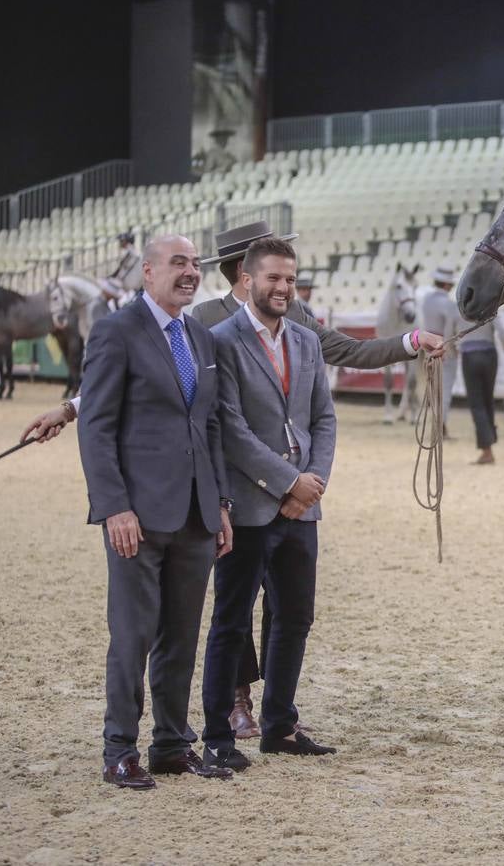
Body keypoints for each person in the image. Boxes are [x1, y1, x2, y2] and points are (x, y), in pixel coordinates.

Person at [21, 220, 445, 739]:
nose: (281, 282)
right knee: (232, 606)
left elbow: (344, 354)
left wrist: (411, 341)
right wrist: (71, 407)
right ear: (243, 272)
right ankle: (230, 701)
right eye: (269, 269)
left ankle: (261, 716)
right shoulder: (202, 320)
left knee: (285, 606)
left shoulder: (288, 317)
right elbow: (149, 379)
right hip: (239, 487)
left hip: (277, 493)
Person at [76, 234, 235, 790]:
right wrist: (113, 506)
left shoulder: (200, 336)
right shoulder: (115, 331)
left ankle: (171, 744)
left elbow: (209, 425)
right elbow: (94, 426)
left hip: (195, 514)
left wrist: (219, 504)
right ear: (148, 272)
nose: (189, 272)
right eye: (177, 263)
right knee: (133, 634)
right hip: (136, 518)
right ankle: (119, 748)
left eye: (194, 264)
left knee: (181, 635)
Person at [201, 237, 338, 770]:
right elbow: (229, 428)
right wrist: (287, 483)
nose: (283, 288)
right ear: (246, 280)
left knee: (294, 616)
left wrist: (313, 481)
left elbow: (323, 417)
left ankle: (280, 725)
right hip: (249, 507)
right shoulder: (221, 340)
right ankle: (218, 737)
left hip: (304, 508)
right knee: (231, 621)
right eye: (273, 279)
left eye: (290, 279)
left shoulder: (306, 340)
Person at [459, 313, 504, 465]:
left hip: (469, 356)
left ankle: (487, 450)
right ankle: (490, 442)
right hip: (489, 355)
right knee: (487, 399)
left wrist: (449, 352)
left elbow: (450, 332)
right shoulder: (490, 308)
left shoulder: (460, 307)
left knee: (476, 404)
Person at [421, 264, 461, 433]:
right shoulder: (449, 305)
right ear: (446, 285)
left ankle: (437, 423)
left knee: (434, 388)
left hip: (427, 346)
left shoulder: (426, 300)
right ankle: (440, 425)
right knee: (444, 389)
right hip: (444, 348)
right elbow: (450, 330)